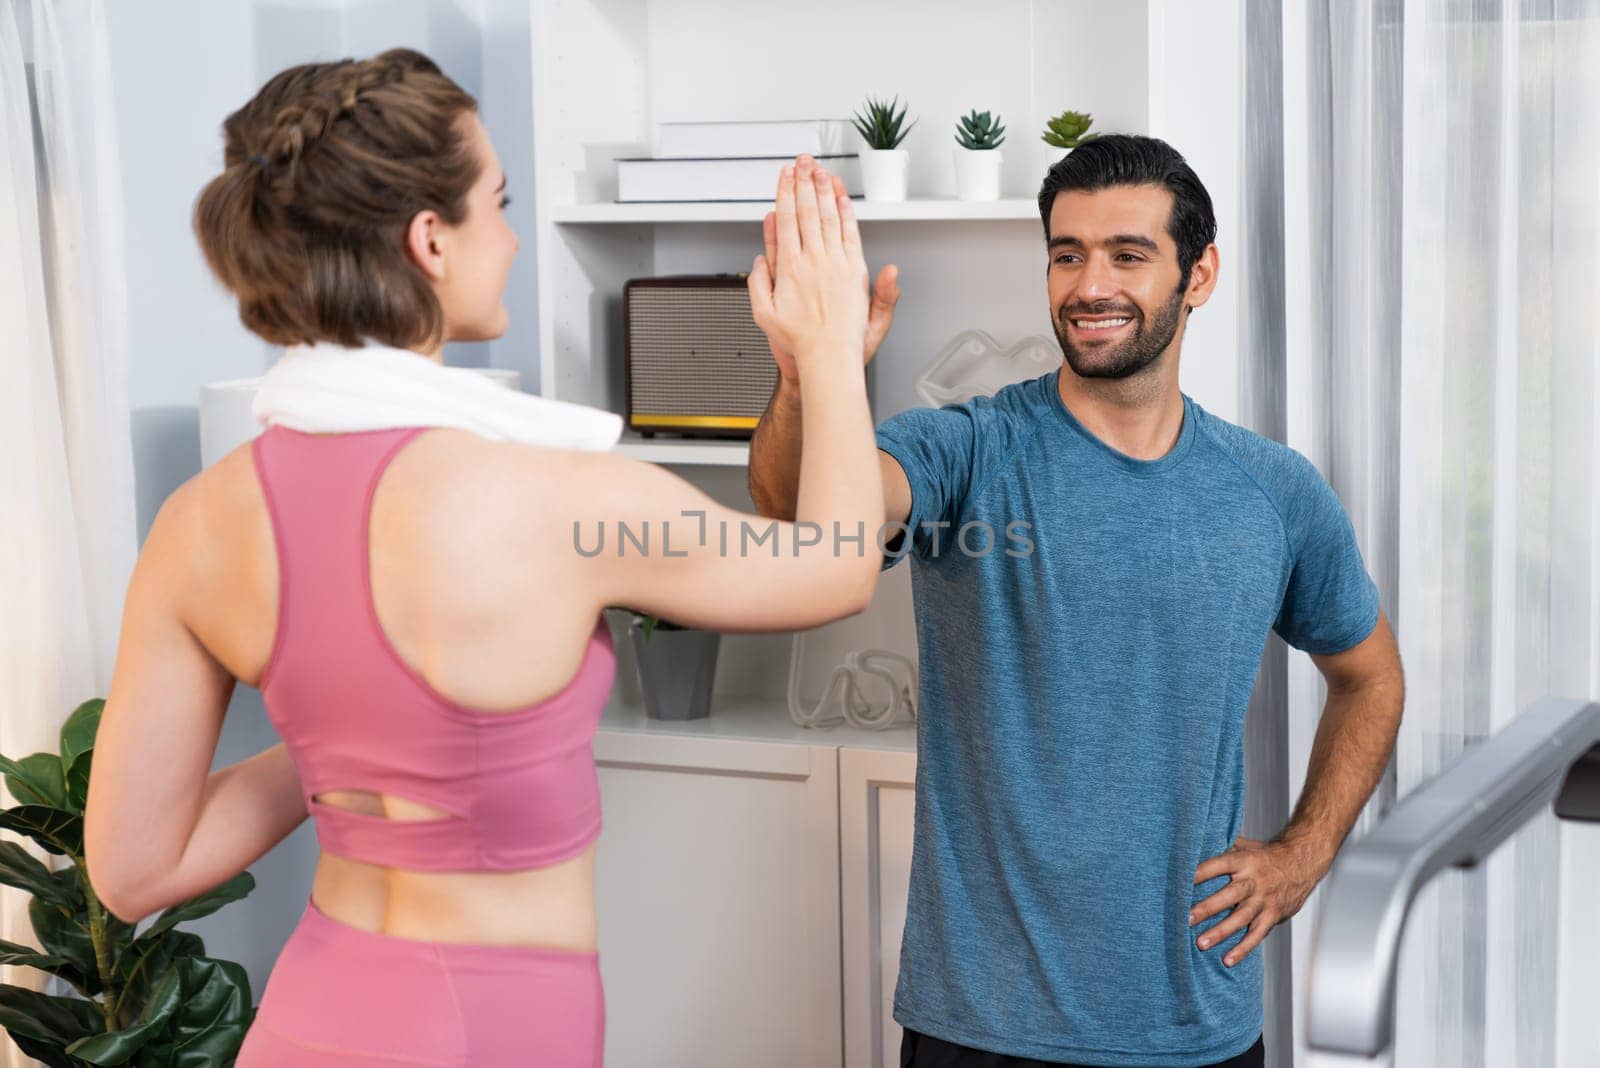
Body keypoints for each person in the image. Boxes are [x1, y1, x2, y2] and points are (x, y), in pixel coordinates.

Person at [82, 48, 883, 1067]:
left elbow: (133, 870)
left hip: (308, 1018)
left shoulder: (201, 521)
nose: (508, 238)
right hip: (493, 1034)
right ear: (430, 240)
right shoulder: (554, 498)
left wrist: (359, 734)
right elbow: (835, 565)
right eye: (496, 204)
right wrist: (824, 348)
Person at [748, 140, 1407, 1068]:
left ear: (1200, 274)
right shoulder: (970, 450)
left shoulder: (1274, 492)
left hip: (1193, 1026)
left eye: (1127, 254)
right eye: (1067, 254)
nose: (1089, 283)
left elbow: (1370, 675)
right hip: (978, 1025)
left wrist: (1302, 856)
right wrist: (803, 374)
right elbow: (797, 515)